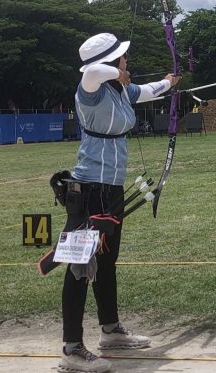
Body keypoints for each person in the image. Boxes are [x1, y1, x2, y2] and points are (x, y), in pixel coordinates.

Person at [58, 32, 179, 373]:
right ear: (112, 63)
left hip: (110, 190)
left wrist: (170, 81)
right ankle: (71, 347)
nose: (127, 63)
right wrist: (116, 72)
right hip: (87, 189)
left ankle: (110, 332)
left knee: (107, 263)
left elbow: (150, 90)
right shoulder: (91, 91)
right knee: (81, 266)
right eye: (123, 59)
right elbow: (92, 73)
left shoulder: (121, 90)